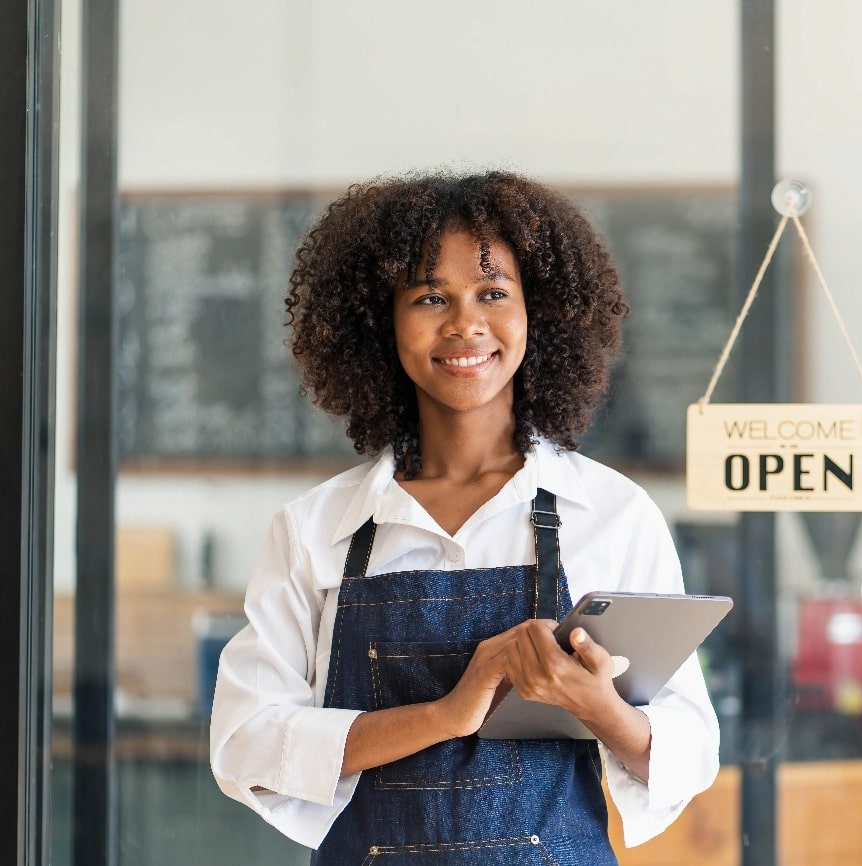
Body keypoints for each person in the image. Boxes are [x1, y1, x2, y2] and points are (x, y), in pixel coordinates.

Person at [209, 170, 721, 864]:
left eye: (493, 293)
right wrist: (446, 715)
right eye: (429, 297)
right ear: (378, 321)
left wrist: (599, 708)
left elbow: (691, 749)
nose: (464, 324)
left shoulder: (611, 514)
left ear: (538, 312)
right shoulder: (315, 530)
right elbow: (246, 745)